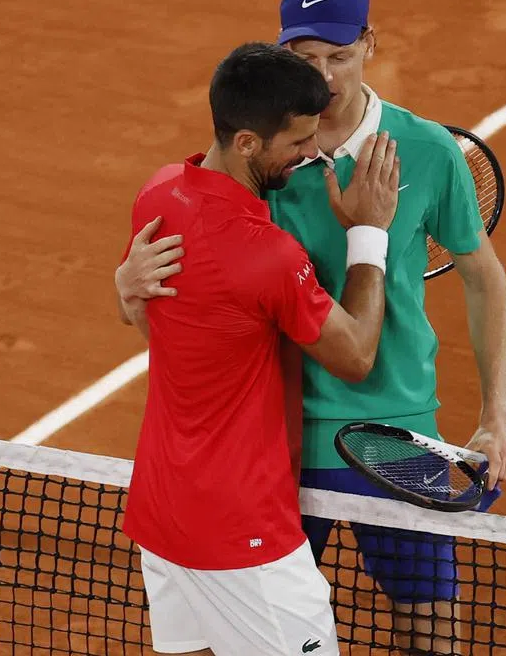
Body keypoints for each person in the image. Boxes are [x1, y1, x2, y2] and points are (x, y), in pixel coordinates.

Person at [118, 0, 506, 654]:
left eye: (340, 55)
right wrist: (126, 284)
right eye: (307, 59)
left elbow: (483, 276)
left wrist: (498, 413)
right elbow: (194, 283)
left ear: (370, 44)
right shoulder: (265, 153)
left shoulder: (423, 151)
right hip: (279, 439)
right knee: (243, 622)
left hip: (395, 431)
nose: (327, 76)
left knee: (430, 626)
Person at [117, 41, 401, 656]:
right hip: (242, 533)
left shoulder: (159, 194)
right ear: (247, 142)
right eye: (298, 143)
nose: (313, 153)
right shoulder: (266, 256)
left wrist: (123, 290)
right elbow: (355, 356)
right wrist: (370, 234)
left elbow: (149, 314)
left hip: (162, 515)